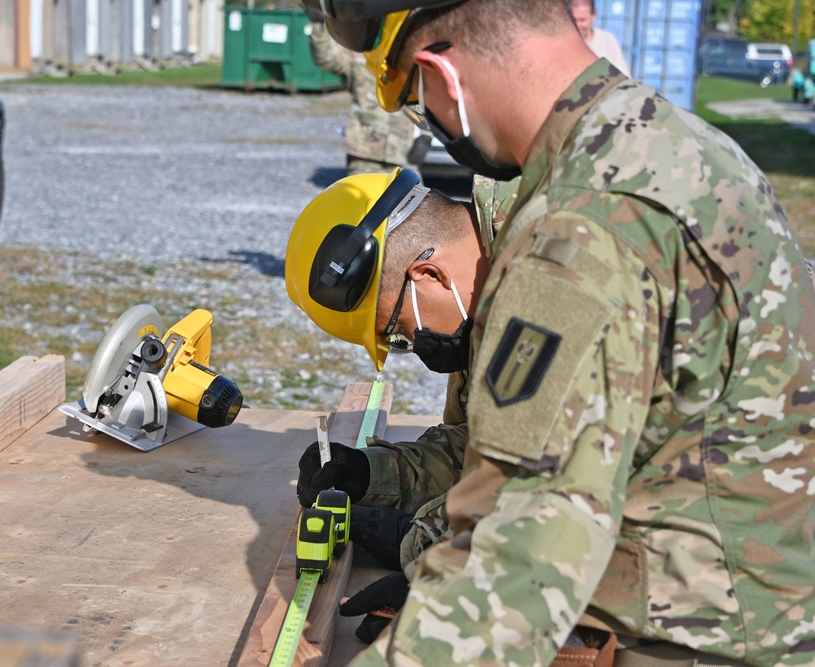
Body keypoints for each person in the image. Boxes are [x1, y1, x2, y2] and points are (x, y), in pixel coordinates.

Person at [294, 0, 815, 665]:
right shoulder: (668, 143)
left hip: (705, 638)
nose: (435, 124)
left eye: (419, 103)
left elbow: (522, 564)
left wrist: (431, 572)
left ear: (439, 74)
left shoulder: (579, 231)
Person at [286, 167, 518, 641]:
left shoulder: (551, 274)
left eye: (397, 331)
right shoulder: (485, 296)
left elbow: (562, 483)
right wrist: (372, 474)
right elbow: (478, 448)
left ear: (428, 274)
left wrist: (432, 555)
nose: (409, 343)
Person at [307, 11, 428, 175]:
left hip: (403, 153)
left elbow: (426, 96)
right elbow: (325, 58)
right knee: (364, 200)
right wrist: (319, 24)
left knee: (413, 200)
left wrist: (426, 135)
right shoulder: (358, 55)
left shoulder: (409, 55)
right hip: (364, 154)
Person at [570, 0, 630, 77]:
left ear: (594, 16)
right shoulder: (561, 42)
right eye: (574, 20)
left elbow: (624, 80)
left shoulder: (607, 41)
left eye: (582, 20)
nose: (577, 25)